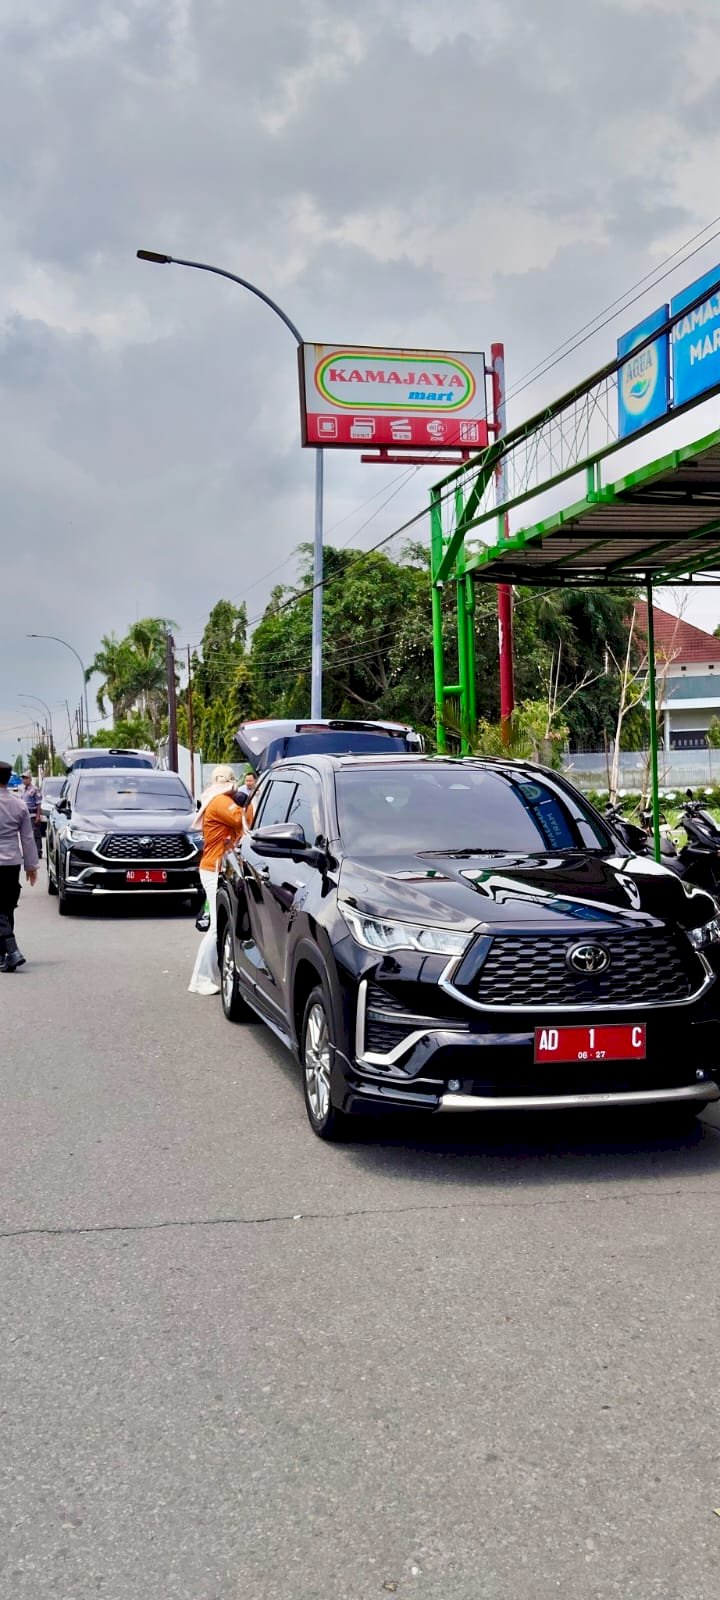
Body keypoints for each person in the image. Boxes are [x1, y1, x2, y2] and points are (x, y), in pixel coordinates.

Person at [189, 765, 247, 996]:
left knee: (217, 925)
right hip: (214, 868)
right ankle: (200, 979)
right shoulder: (221, 802)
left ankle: (209, 975)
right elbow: (243, 820)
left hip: (215, 867)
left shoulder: (215, 799)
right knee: (215, 927)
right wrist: (252, 803)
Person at [0, 758, 39, 971]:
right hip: (11, 862)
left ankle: (10, 951)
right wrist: (31, 866)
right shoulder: (19, 804)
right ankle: (6, 954)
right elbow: (27, 838)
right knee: (7, 907)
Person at [21, 771, 43, 860]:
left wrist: (38, 816)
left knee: (36, 834)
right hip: (25, 816)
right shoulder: (24, 790)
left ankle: (38, 852)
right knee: (26, 835)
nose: (24, 780)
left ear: (30, 779)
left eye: (26, 778)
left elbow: (38, 804)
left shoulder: (35, 789)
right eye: (23, 778)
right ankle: (28, 853)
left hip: (33, 815)